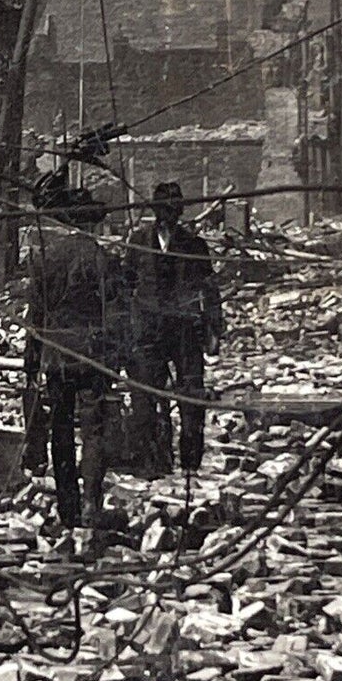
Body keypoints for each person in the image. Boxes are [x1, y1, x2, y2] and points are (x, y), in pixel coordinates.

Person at [22, 172, 132, 528]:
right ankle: (90, 503)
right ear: (90, 223)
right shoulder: (102, 259)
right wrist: (119, 358)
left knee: (61, 430)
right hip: (92, 355)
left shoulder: (45, 258)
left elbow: (35, 316)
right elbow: (116, 311)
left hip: (56, 356)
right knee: (94, 429)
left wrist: (32, 362)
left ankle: (67, 508)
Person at [124, 180, 223, 478]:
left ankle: (190, 462)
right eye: (163, 210)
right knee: (146, 397)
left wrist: (214, 329)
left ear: (180, 212)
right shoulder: (138, 241)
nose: (169, 216)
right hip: (148, 330)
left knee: (191, 395)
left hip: (185, 330)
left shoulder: (195, 245)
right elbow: (125, 284)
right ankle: (155, 459)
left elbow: (209, 289)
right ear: (155, 212)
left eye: (174, 210)